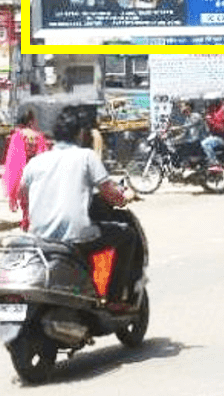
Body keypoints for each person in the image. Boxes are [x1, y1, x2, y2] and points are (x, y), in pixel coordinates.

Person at [19, 107, 145, 310]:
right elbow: (110, 194)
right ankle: (114, 300)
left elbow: (22, 197)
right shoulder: (86, 156)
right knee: (127, 236)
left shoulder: (36, 162)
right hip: (75, 237)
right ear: (80, 134)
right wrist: (124, 197)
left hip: (40, 238)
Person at [3, 105, 49, 215]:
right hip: (37, 174)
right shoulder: (39, 136)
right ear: (32, 121)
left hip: (22, 173)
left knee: (25, 200)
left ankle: (25, 219)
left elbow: (12, 162)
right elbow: (44, 155)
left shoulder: (18, 136)